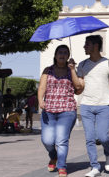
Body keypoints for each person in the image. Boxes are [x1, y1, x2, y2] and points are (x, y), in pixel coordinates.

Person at [38, 45, 83, 177]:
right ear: (55, 55)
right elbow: (41, 87)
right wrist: (41, 100)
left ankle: (62, 166)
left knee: (62, 140)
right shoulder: (48, 70)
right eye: (60, 52)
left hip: (67, 110)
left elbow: (78, 87)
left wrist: (73, 70)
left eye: (65, 52)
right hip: (49, 110)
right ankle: (54, 156)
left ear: (68, 56)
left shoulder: (71, 70)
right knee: (47, 140)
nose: (62, 54)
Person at [76, 35, 109, 177]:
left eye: (87, 44)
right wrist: (72, 70)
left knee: (103, 137)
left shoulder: (108, 64)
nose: (84, 47)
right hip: (86, 105)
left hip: (104, 105)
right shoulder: (81, 65)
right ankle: (94, 166)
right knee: (89, 138)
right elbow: (79, 87)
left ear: (95, 46)